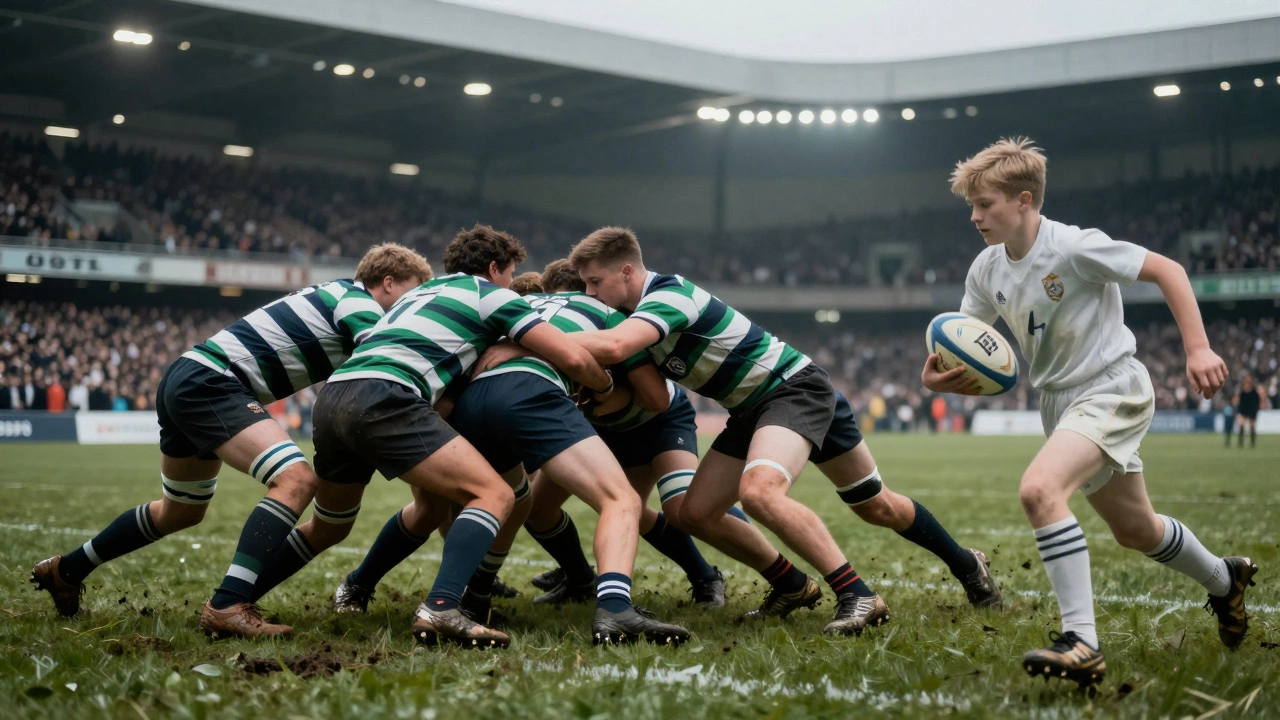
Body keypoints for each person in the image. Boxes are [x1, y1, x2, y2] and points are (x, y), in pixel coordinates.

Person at [925, 137, 1255, 687]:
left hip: (1111, 387)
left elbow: (1168, 270)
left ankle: (1082, 642)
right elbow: (972, 346)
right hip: (1057, 403)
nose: (976, 216)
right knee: (1136, 529)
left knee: (1039, 490)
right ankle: (1226, 580)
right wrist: (939, 377)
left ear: (1024, 199)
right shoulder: (985, 270)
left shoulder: (1075, 247)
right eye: (972, 207)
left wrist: (1198, 348)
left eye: (986, 205)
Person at [567, 227, 1000, 637]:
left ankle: (860, 595)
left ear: (627, 271)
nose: (590, 293)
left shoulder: (670, 295)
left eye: (594, 281)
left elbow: (616, 346)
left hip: (793, 389)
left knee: (766, 493)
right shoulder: (634, 312)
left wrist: (531, 335)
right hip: (755, 407)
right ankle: (798, 584)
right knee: (695, 512)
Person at [31, 244, 433, 638]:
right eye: (413, 294)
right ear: (388, 282)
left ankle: (66, 570)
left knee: (180, 511)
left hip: (188, 376)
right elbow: (385, 355)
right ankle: (228, 604)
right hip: (214, 383)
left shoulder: (333, 295)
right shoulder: (356, 299)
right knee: (297, 481)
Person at [246, 224, 616, 649]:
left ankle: (242, 597)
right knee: (499, 494)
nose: (511, 284)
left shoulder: (417, 295)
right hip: (392, 400)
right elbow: (569, 353)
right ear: (494, 269)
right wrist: (601, 389)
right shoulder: (488, 295)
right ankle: (448, 603)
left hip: (336, 397)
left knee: (390, 514)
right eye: (510, 274)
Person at [335, 253, 690, 647]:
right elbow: (655, 398)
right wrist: (604, 388)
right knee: (620, 498)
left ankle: (458, 596)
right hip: (529, 394)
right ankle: (616, 610)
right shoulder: (610, 315)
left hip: (466, 399)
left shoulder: (521, 304)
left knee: (502, 499)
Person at [1232, 375, 1262, 448]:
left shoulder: (1254, 392)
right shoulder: (1242, 392)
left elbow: (1258, 401)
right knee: (1241, 425)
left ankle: (1252, 443)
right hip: (1243, 410)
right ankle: (1240, 443)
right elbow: (1238, 401)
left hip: (1252, 411)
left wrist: (1257, 409)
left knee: (1252, 427)